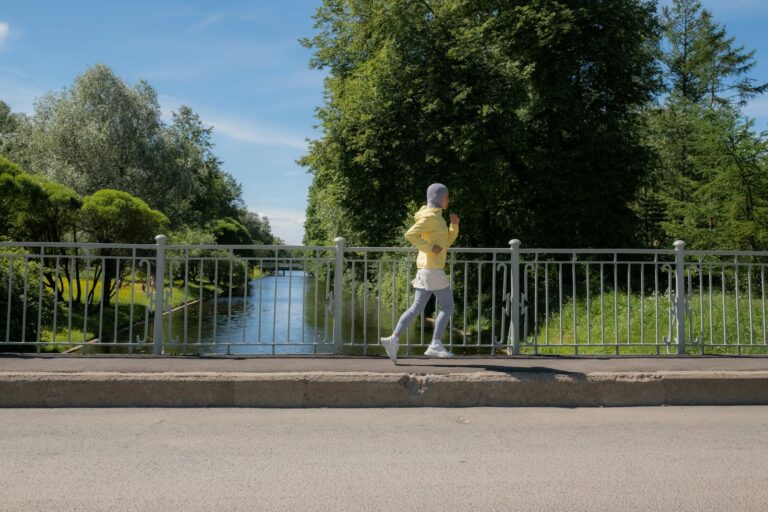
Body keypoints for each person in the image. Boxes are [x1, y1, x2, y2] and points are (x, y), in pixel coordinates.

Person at [380, 183, 459, 363]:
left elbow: (446, 242)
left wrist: (454, 227)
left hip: (427, 269)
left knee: (416, 308)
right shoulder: (431, 217)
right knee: (448, 306)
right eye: (447, 196)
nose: (449, 200)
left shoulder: (438, 218)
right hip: (432, 269)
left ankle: (393, 340)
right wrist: (430, 248)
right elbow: (410, 235)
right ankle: (435, 344)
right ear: (438, 198)